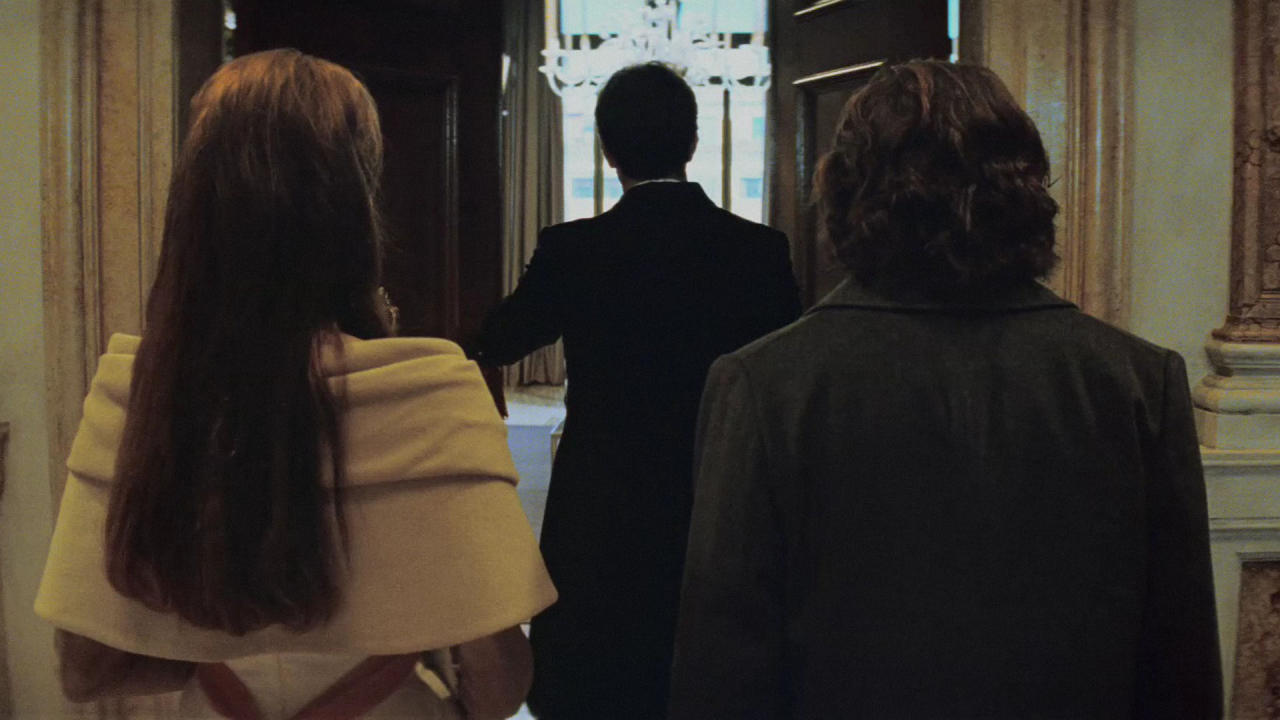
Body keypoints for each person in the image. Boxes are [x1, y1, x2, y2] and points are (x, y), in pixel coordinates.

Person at [670, 59, 1223, 720]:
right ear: (1026, 189)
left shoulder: (764, 386)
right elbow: (1179, 669)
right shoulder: (1137, 381)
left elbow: (722, 668)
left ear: (845, 192)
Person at [35, 49, 556, 718]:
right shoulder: (432, 392)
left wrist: (229, 649)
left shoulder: (136, 394)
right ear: (357, 206)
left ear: (192, 203)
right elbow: (498, 691)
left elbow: (87, 673)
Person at [470, 62, 802, 719]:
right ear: (693, 143)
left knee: (594, 682)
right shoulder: (759, 251)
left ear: (608, 150)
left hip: (601, 501)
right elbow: (786, 375)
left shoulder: (572, 249)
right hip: (718, 493)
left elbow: (497, 339)